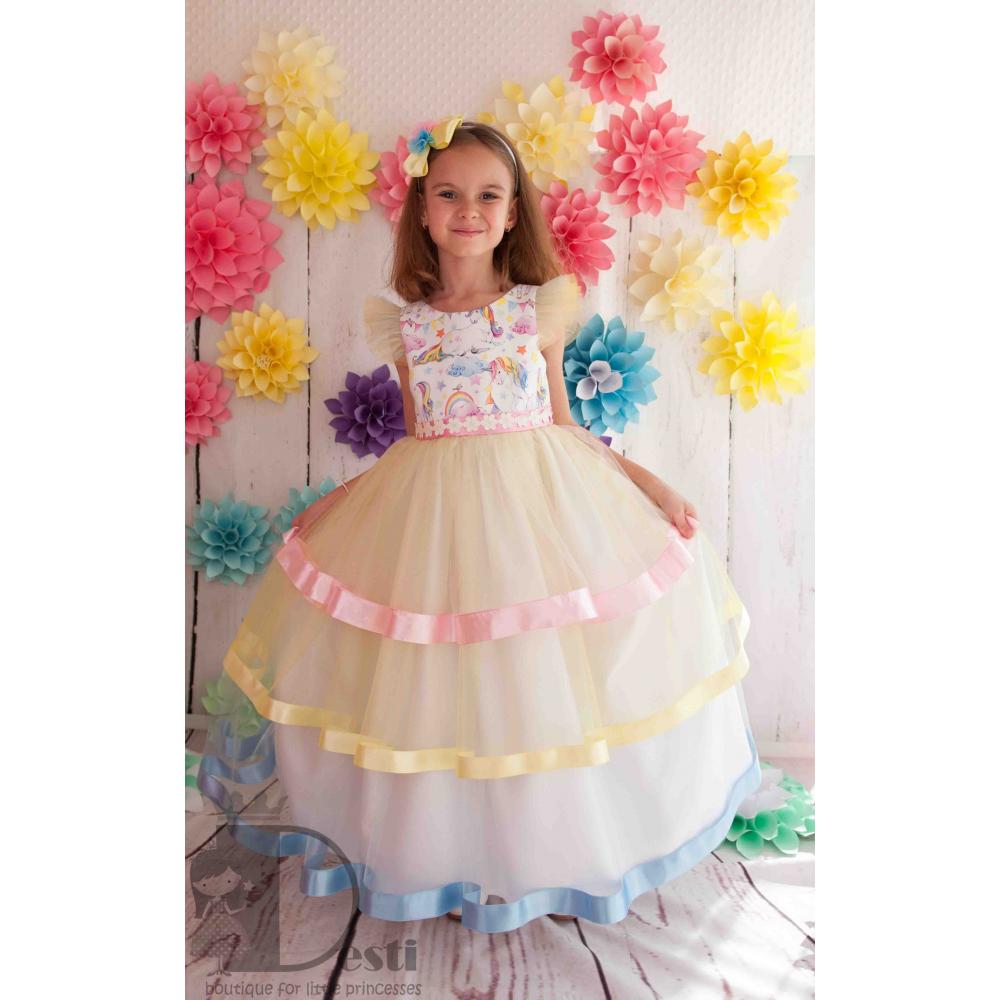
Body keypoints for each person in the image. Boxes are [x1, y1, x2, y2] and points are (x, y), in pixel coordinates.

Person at [209, 116, 761, 934]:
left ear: (511, 214)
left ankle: (550, 856)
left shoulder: (537, 308)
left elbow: (565, 423)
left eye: (488, 196)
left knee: (539, 682)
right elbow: (417, 436)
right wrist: (342, 503)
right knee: (438, 686)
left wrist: (647, 483)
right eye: (449, 194)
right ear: (423, 210)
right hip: (433, 518)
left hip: (539, 510)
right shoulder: (407, 324)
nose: (468, 210)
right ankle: (444, 857)